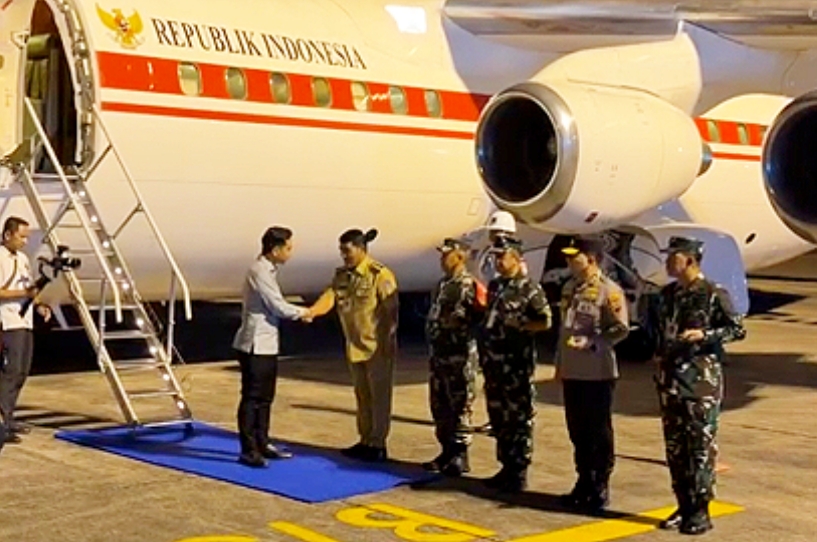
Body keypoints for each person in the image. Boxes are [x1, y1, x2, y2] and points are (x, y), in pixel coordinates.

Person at [652, 236, 746, 535]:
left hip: (700, 383)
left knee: (700, 449)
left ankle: (701, 510)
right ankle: (683, 504)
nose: (668, 262)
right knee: (676, 449)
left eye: (673, 256)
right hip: (671, 383)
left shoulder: (713, 294)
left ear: (690, 259)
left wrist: (704, 336)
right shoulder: (666, 295)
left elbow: (737, 329)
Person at [309, 229, 398, 462]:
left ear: (361, 249)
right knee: (362, 396)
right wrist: (312, 312)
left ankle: (378, 443)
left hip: (376, 347)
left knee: (379, 398)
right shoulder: (342, 276)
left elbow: (391, 311)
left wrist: (388, 341)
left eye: (347, 251)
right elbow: (330, 296)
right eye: (342, 251)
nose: (344, 256)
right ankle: (365, 439)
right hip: (354, 346)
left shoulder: (379, 274)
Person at [556, 237, 630, 512]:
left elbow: (620, 328)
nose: (569, 261)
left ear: (592, 259)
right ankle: (584, 481)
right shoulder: (570, 289)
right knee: (577, 431)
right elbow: (564, 331)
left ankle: (600, 485)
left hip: (597, 372)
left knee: (598, 432)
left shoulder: (608, 291)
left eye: (575, 257)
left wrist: (594, 342)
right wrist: (559, 364)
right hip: (573, 370)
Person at [232, 226, 312, 468]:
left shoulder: (269, 270)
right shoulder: (259, 271)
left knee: (265, 397)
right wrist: (304, 312)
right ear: (275, 249)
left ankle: (262, 442)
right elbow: (276, 305)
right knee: (252, 397)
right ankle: (248, 449)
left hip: (267, 343)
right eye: (288, 248)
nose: (290, 252)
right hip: (254, 344)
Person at [480, 236, 551, 492]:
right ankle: (505, 465)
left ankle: (519, 469)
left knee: (518, 419)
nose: (498, 261)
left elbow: (545, 321)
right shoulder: (496, 286)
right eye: (496, 256)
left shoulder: (529, 288)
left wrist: (522, 325)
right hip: (494, 365)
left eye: (503, 256)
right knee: (498, 417)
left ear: (516, 258)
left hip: (516, 367)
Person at [422, 238, 484, 476]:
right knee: (440, 404)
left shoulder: (468, 285)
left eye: (446, 255)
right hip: (439, 354)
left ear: (460, 257)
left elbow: (475, 319)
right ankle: (446, 450)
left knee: (460, 404)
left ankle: (460, 454)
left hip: (459, 356)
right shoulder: (442, 285)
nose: (442, 259)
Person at [0, 216, 51, 444]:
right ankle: (3, 422)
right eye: (21, 237)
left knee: (21, 372)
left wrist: (39, 304)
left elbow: (28, 286)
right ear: (7, 235)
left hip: (25, 321)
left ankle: (9, 417)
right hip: (8, 321)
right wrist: (25, 295)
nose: (24, 242)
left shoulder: (22, 258)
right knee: (9, 373)